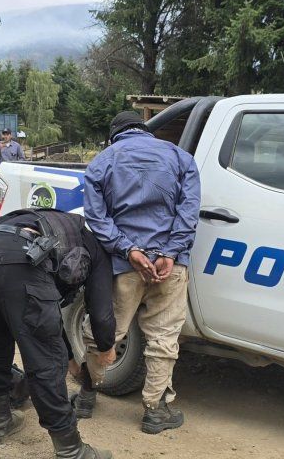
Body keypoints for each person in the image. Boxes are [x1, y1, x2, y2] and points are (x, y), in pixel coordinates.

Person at [0, 208, 116, 458]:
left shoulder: (60, 226)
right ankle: (70, 449)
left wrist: (72, 359)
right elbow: (101, 312)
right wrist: (107, 346)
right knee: (45, 359)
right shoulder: (95, 247)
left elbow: (49, 316)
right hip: (17, 257)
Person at [83, 111, 201, 434]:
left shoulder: (103, 161)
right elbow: (189, 213)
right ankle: (154, 411)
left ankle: (86, 393)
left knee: (106, 332)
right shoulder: (181, 158)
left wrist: (128, 250)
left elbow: (96, 217)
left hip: (124, 267)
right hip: (170, 268)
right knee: (163, 337)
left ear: (115, 135)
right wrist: (170, 252)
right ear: (145, 131)